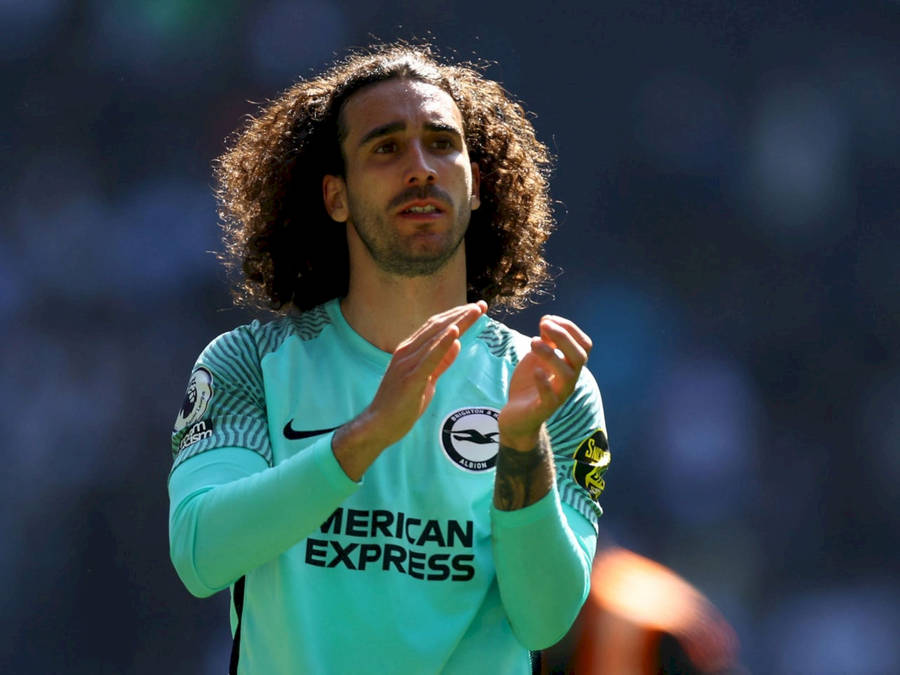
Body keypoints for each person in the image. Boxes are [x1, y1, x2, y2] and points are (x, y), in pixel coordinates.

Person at [168, 42, 611, 674]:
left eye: (442, 144)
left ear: (476, 186)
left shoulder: (547, 387)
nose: (421, 168)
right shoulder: (250, 364)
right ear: (336, 197)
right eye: (386, 148)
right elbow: (199, 555)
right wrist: (370, 432)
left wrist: (521, 444)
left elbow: (547, 620)